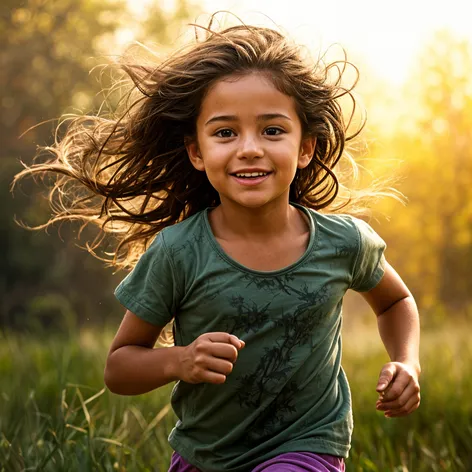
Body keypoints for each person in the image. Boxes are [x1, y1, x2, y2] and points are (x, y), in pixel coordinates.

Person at [14, 16, 421, 472]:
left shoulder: (343, 242)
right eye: (225, 132)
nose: (249, 148)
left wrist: (407, 361)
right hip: (204, 456)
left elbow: (395, 302)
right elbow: (119, 368)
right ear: (197, 151)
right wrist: (180, 360)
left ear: (305, 148)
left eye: (272, 130)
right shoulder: (178, 252)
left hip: (307, 444)